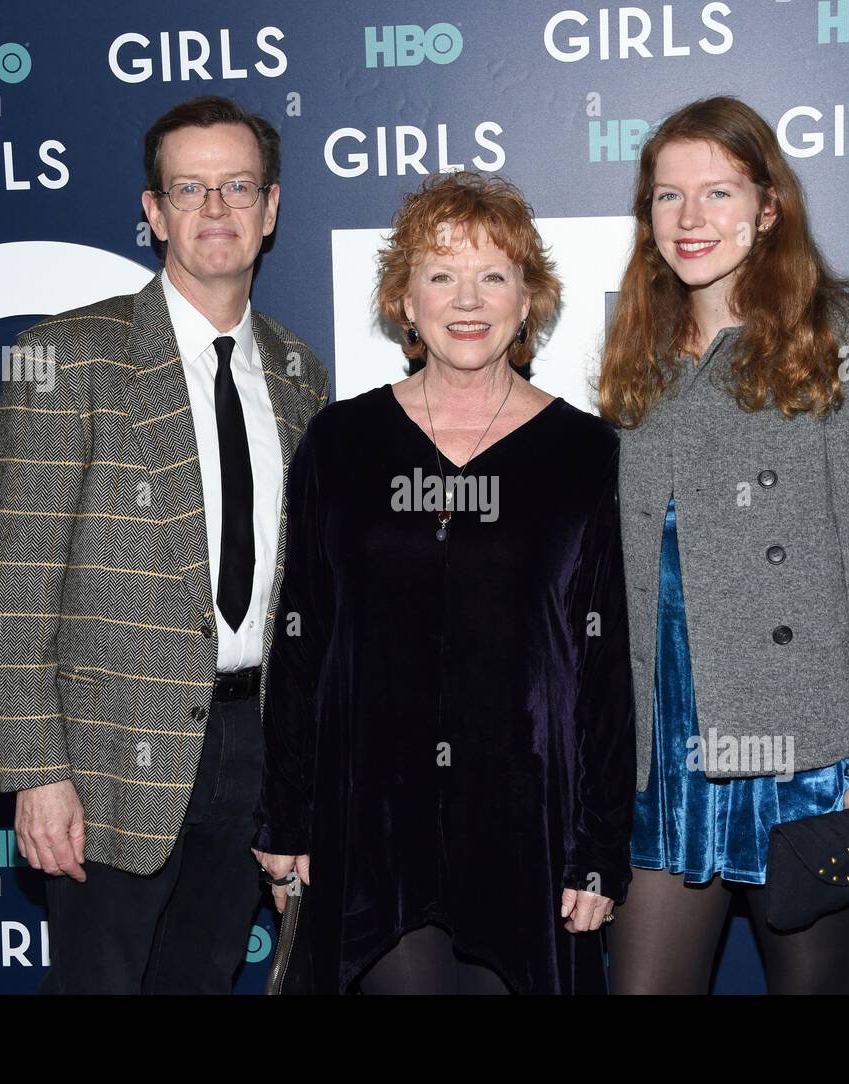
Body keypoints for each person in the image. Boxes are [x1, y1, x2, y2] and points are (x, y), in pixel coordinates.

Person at [0, 95, 329, 994]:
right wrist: (34, 776)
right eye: (190, 188)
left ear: (272, 208)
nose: (216, 209)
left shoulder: (299, 375)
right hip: (104, 758)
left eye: (237, 186)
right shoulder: (71, 356)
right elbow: (15, 591)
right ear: (154, 211)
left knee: (203, 984)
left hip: (255, 748)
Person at [251, 171, 635, 994]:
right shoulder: (341, 442)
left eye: (494, 275)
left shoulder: (586, 455)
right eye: (440, 275)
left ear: (529, 301)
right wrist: (286, 814)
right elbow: (302, 635)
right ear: (404, 302)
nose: (469, 300)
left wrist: (601, 849)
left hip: (528, 825)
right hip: (372, 821)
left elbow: (608, 669)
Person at [599, 96, 849, 994]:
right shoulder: (638, 351)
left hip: (808, 756)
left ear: (769, 205)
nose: (691, 220)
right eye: (668, 197)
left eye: (717, 192)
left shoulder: (836, 339)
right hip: (665, 761)